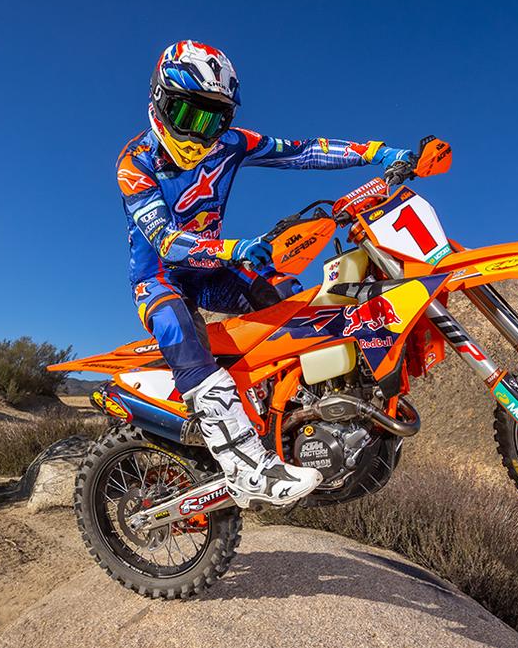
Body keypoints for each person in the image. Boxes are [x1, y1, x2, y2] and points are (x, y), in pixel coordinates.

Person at [117, 40, 413, 508]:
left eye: (213, 119)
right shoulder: (135, 164)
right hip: (161, 279)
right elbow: (166, 242)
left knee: (288, 298)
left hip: (214, 271)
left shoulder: (231, 144)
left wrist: (380, 152)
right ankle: (245, 466)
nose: (198, 134)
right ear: (160, 100)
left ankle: (296, 416)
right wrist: (236, 249)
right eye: (188, 115)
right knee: (181, 331)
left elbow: (303, 151)